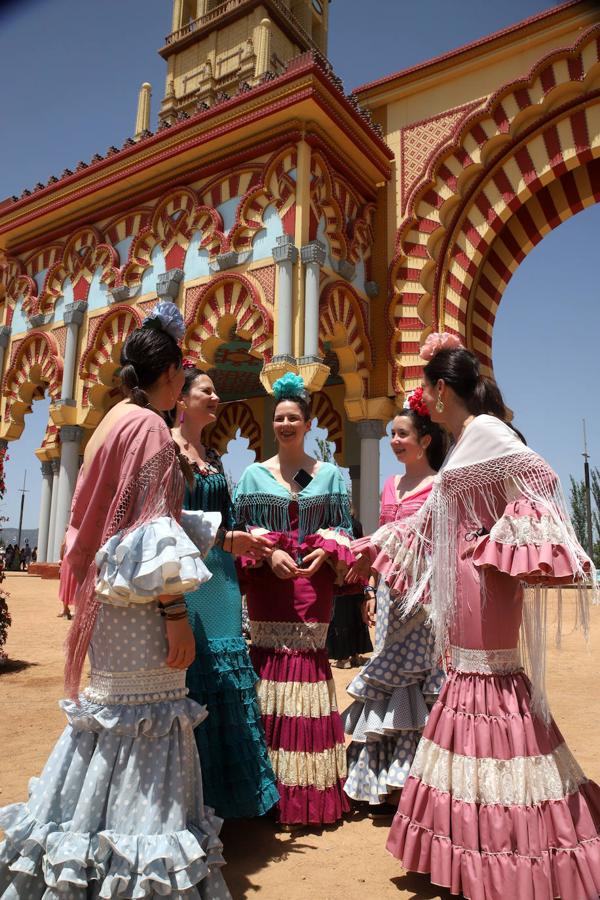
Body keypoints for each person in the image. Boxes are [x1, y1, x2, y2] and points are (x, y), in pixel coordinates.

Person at [0, 301, 232, 900]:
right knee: (146, 727)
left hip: (108, 603)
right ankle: (139, 871)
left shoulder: (112, 420)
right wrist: (177, 615)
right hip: (141, 611)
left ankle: (82, 852)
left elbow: (118, 522)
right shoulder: (153, 428)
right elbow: (150, 531)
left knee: (105, 731)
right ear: (174, 375)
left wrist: (211, 534)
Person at [359, 333, 600, 900]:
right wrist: (371, 544)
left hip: (487, 584)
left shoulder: (487, 433)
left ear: (442, 391)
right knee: (466, 688)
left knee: (493, 686)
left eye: (425, 392)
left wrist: (503, 538)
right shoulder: (467, 440)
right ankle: (472, 845)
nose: (423, 401)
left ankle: (513, 842)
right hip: (466, 586)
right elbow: (427, 522)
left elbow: (542, 480)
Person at [234, 373, 354, 830]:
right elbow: (241, 532)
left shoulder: (328, 476)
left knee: (306, 670)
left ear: (309, 424)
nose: (285, 424)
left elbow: (344, 529)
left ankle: (308, 795)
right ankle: (269, 792)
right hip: (269, 586)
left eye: (293, 418)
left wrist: (326, 548)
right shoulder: (252, 475)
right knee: (268, 672)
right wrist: (271, 550)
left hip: (312, 587)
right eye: (279, 418)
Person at [171, 364, 279, 819]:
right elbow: (166, 518)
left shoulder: (213, 457)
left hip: (223, 577)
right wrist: (225, 539)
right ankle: (198, 798)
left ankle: (233, 797)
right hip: (187, 576)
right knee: (195, 674)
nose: (216, 398)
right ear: (182, 399)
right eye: (207, 391)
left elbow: (228, 519)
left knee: (227, 673)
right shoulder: (166, 449)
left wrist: (245, 541)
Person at [343, 394, 447, 812]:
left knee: (416, 679)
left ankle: (415, 783)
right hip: (389, 597)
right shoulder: (390, 485)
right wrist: (370, 589)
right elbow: (381, 543)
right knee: (388, 676)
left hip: (422, 601)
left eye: (402, 434)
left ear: (424, 440)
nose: (394, 441)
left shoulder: (440, 486)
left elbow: (438, 545)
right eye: (391, 435)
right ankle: (384, 780)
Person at [326, 511, 373, 669]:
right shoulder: (357, 524)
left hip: (342, 579)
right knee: (356, 618)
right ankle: (356, 656)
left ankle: (343, 659)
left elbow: (335, 554)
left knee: (341, 618)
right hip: (357, 576)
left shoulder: (336, 527)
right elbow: (364, 544)